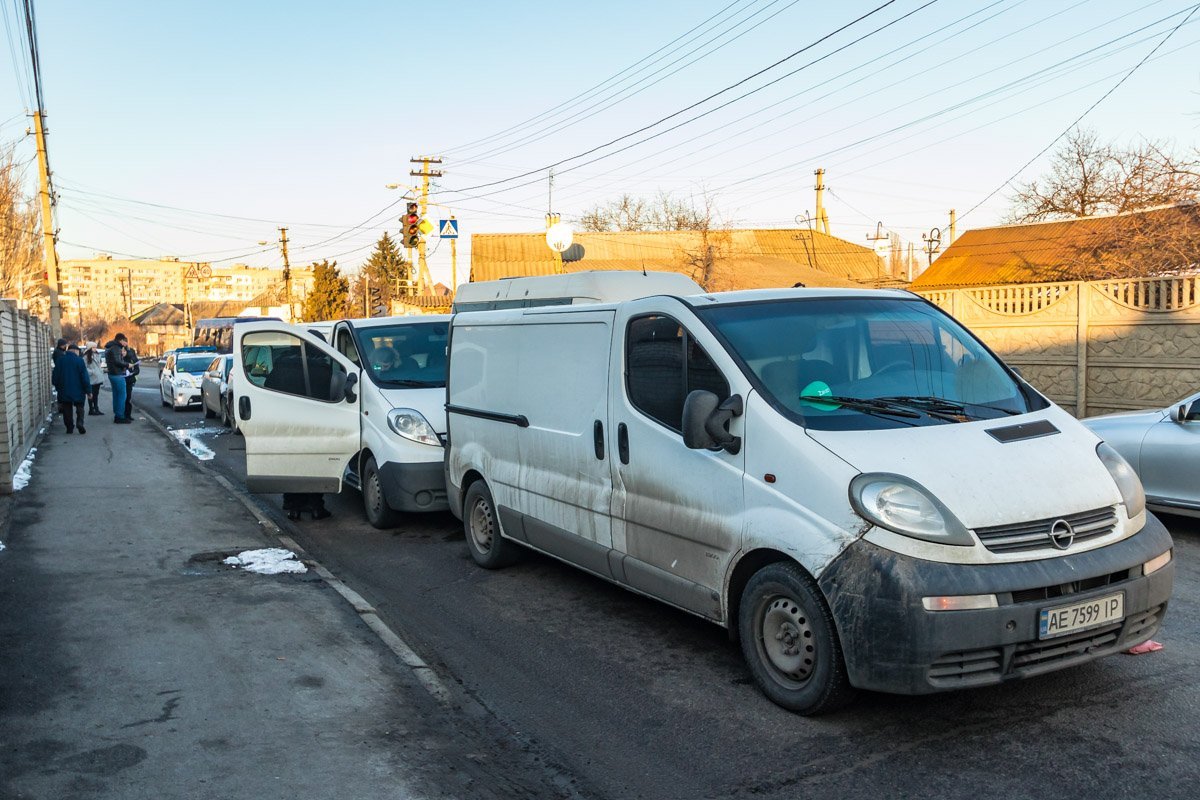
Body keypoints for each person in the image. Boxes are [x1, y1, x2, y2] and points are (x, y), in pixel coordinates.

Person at [51, 344, 91, 434]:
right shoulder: (79, 361)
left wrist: (57, 386)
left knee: (67, 409)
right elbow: (85, 377)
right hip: (79, 390)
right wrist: (88, 391)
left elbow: (55, 376)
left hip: (64, 390)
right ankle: (80, 422)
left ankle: (69, 427)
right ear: (75, 351)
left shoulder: (60, 360)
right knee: (80, 407)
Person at [104, 333, 133, 424]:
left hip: (112, 374)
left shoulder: (110, 347)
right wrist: (127, 364)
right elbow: (117, 361)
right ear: (121, 340)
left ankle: (117, 413)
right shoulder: (116, 348)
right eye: (125, 341)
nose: (126, 344)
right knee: (122, 396)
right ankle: (120, 416)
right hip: (117, 374)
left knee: (116, 395)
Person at [83, 344, 106, 415]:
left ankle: (96, 408)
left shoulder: (97, 355)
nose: (95, 349)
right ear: (90, 348)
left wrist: (100, 371)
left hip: (98, 377)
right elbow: (84, 367)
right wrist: (92, 372)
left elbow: (99, 366)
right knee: (91, 394)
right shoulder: (86, 357)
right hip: (91, 378)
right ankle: (91, 409)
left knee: (96, 394)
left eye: (96, 347)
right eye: (93, 347)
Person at [123, 344, 141, 421]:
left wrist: (132, 373)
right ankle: (122, 415)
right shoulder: (119, 358)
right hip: (121, 380)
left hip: (129, 380)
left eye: (124, 351)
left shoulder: (131, 359)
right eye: (122, 351)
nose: (122, 353)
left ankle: (128, 415)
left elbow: (137, 369)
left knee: (128, 398)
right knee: (122, 398)